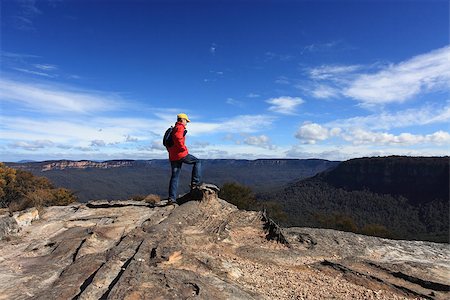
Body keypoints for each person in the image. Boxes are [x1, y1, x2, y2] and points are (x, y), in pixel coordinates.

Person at [167, 113, 202, 204]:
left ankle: (172, 198)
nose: (186, 123)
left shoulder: (173, 128)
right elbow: (178, 138)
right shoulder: (180, 127)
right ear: (182, 120)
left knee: (175, 177)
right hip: (181, 155)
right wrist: (183, 149)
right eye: (186, 121)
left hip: (173, 157)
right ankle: (195, 183)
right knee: (197, 162)